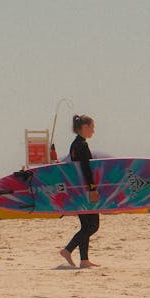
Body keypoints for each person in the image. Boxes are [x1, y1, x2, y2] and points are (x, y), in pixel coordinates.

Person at [59, 114, 100, 269]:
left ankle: (84, 260)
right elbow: (85, 169)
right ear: (85, 127)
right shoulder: (82, 145)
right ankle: (68, 250)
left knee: (86, 225)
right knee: (93, 226)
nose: (93, 131)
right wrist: (92, 189)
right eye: (92, 127)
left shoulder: (74, 144)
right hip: (85, 190)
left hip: (78, 189)